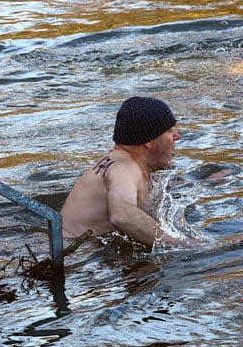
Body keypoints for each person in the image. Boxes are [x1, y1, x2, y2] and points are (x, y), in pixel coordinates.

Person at [60, 96, 199, 249]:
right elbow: (122, 215)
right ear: (149, 141)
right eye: (169, 131)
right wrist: (181, 244)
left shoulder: (121, 162)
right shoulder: (125, 168)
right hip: (77, 258)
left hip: (75, 248)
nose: (177, 136)